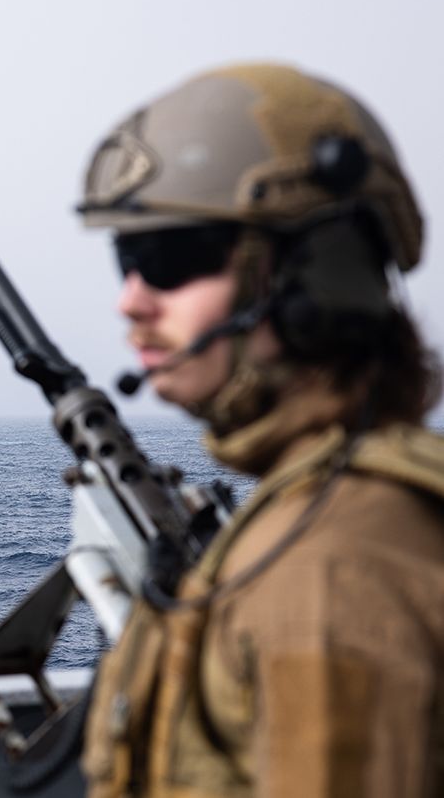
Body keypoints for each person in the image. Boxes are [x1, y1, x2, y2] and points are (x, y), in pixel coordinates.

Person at [75, 63, 444, 796]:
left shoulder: (333, 568)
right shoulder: (324, 512)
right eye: (126, 259)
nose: (130, 301)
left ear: (313, 274)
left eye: (169, 259)